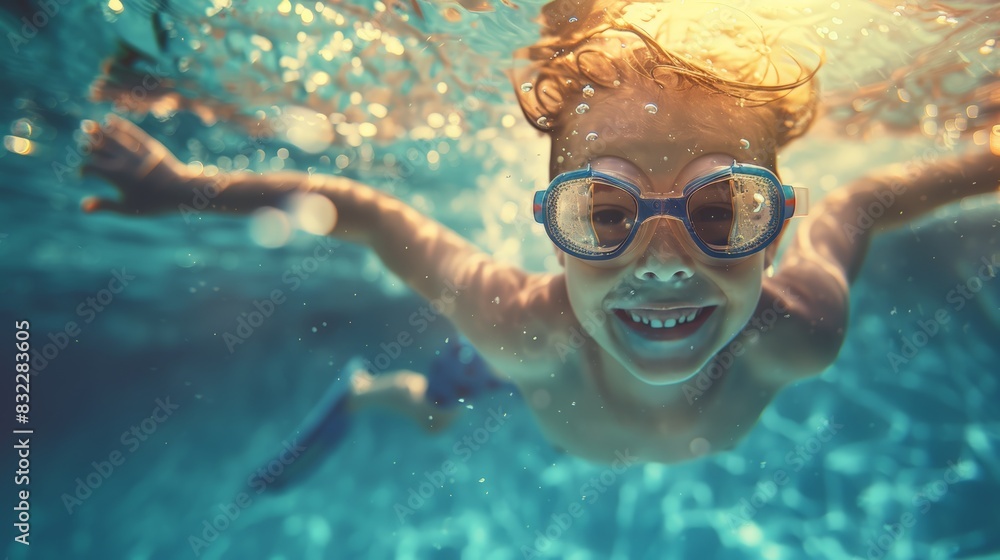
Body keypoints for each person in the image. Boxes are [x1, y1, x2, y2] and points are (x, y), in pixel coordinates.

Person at [78, 0, 999, 485]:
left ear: (777, 223)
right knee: (435, 405)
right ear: (555, 232)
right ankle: (364, 396)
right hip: (517, 378)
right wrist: (185, 186)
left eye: (721, 210)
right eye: (607, 213)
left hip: (559, 387)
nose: (667, 257)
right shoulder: (519, 327)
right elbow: (368, 210)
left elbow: (871, 198)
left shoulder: (804, 328)